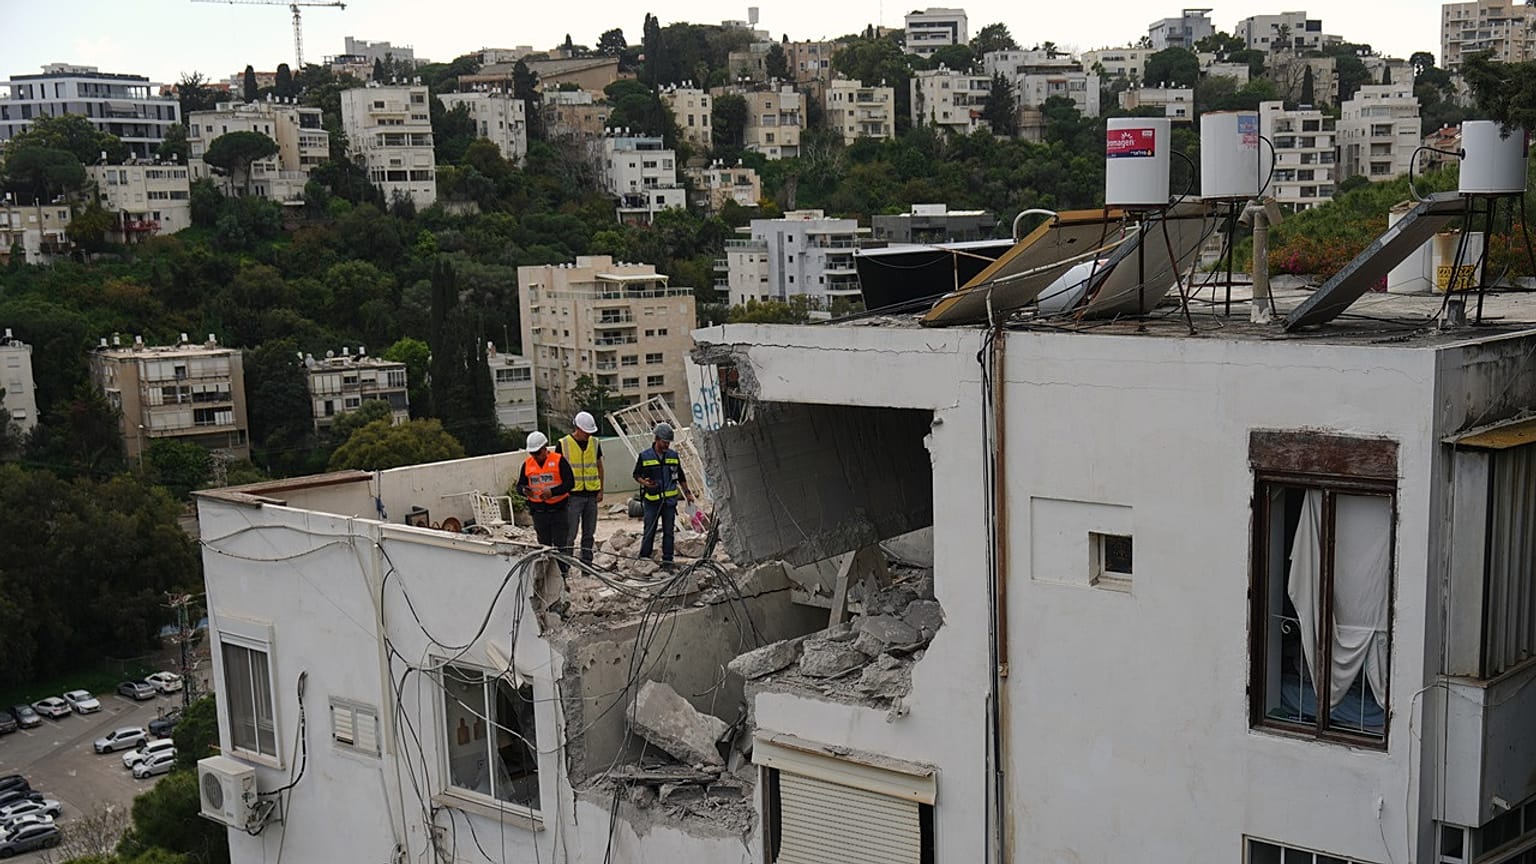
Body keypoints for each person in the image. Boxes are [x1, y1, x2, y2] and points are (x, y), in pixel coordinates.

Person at [632, 422, 695, 568]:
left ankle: (668, 561)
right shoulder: (645, 456)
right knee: (649, 530)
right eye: (664, 442)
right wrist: (645, 483)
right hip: (652, 501)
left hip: (669, 502)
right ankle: (645, 557)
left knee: (669, 532)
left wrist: (688, 493)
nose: (667, 445)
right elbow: (636, 474)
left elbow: (680, 476)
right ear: (657, 438)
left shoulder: (673, 456)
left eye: (668, 442)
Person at [514, 431, 573, 574]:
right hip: (539, 513)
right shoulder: (527, 464)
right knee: (544, 547)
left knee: (560, 546)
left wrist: (552, 492)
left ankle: (563, 576)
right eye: (532, 453)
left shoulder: (559, 461)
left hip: (558, 511)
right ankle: (548, 577)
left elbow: (570, 483)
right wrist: (524, 490)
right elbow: (520, 485)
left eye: (538, 452)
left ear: (545, 448)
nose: (535, 456)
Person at [557, 411, 604, 565]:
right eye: (586, 432)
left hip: (591, 494)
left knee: (589, 534)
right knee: (570, 533)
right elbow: (557, 471)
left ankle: (587, 565)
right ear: (578, 428)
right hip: (572, 495)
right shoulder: (563, 444)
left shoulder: (595, 443)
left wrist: (601, 489)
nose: (588, 435)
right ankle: (565, 566)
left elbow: (599, 467)